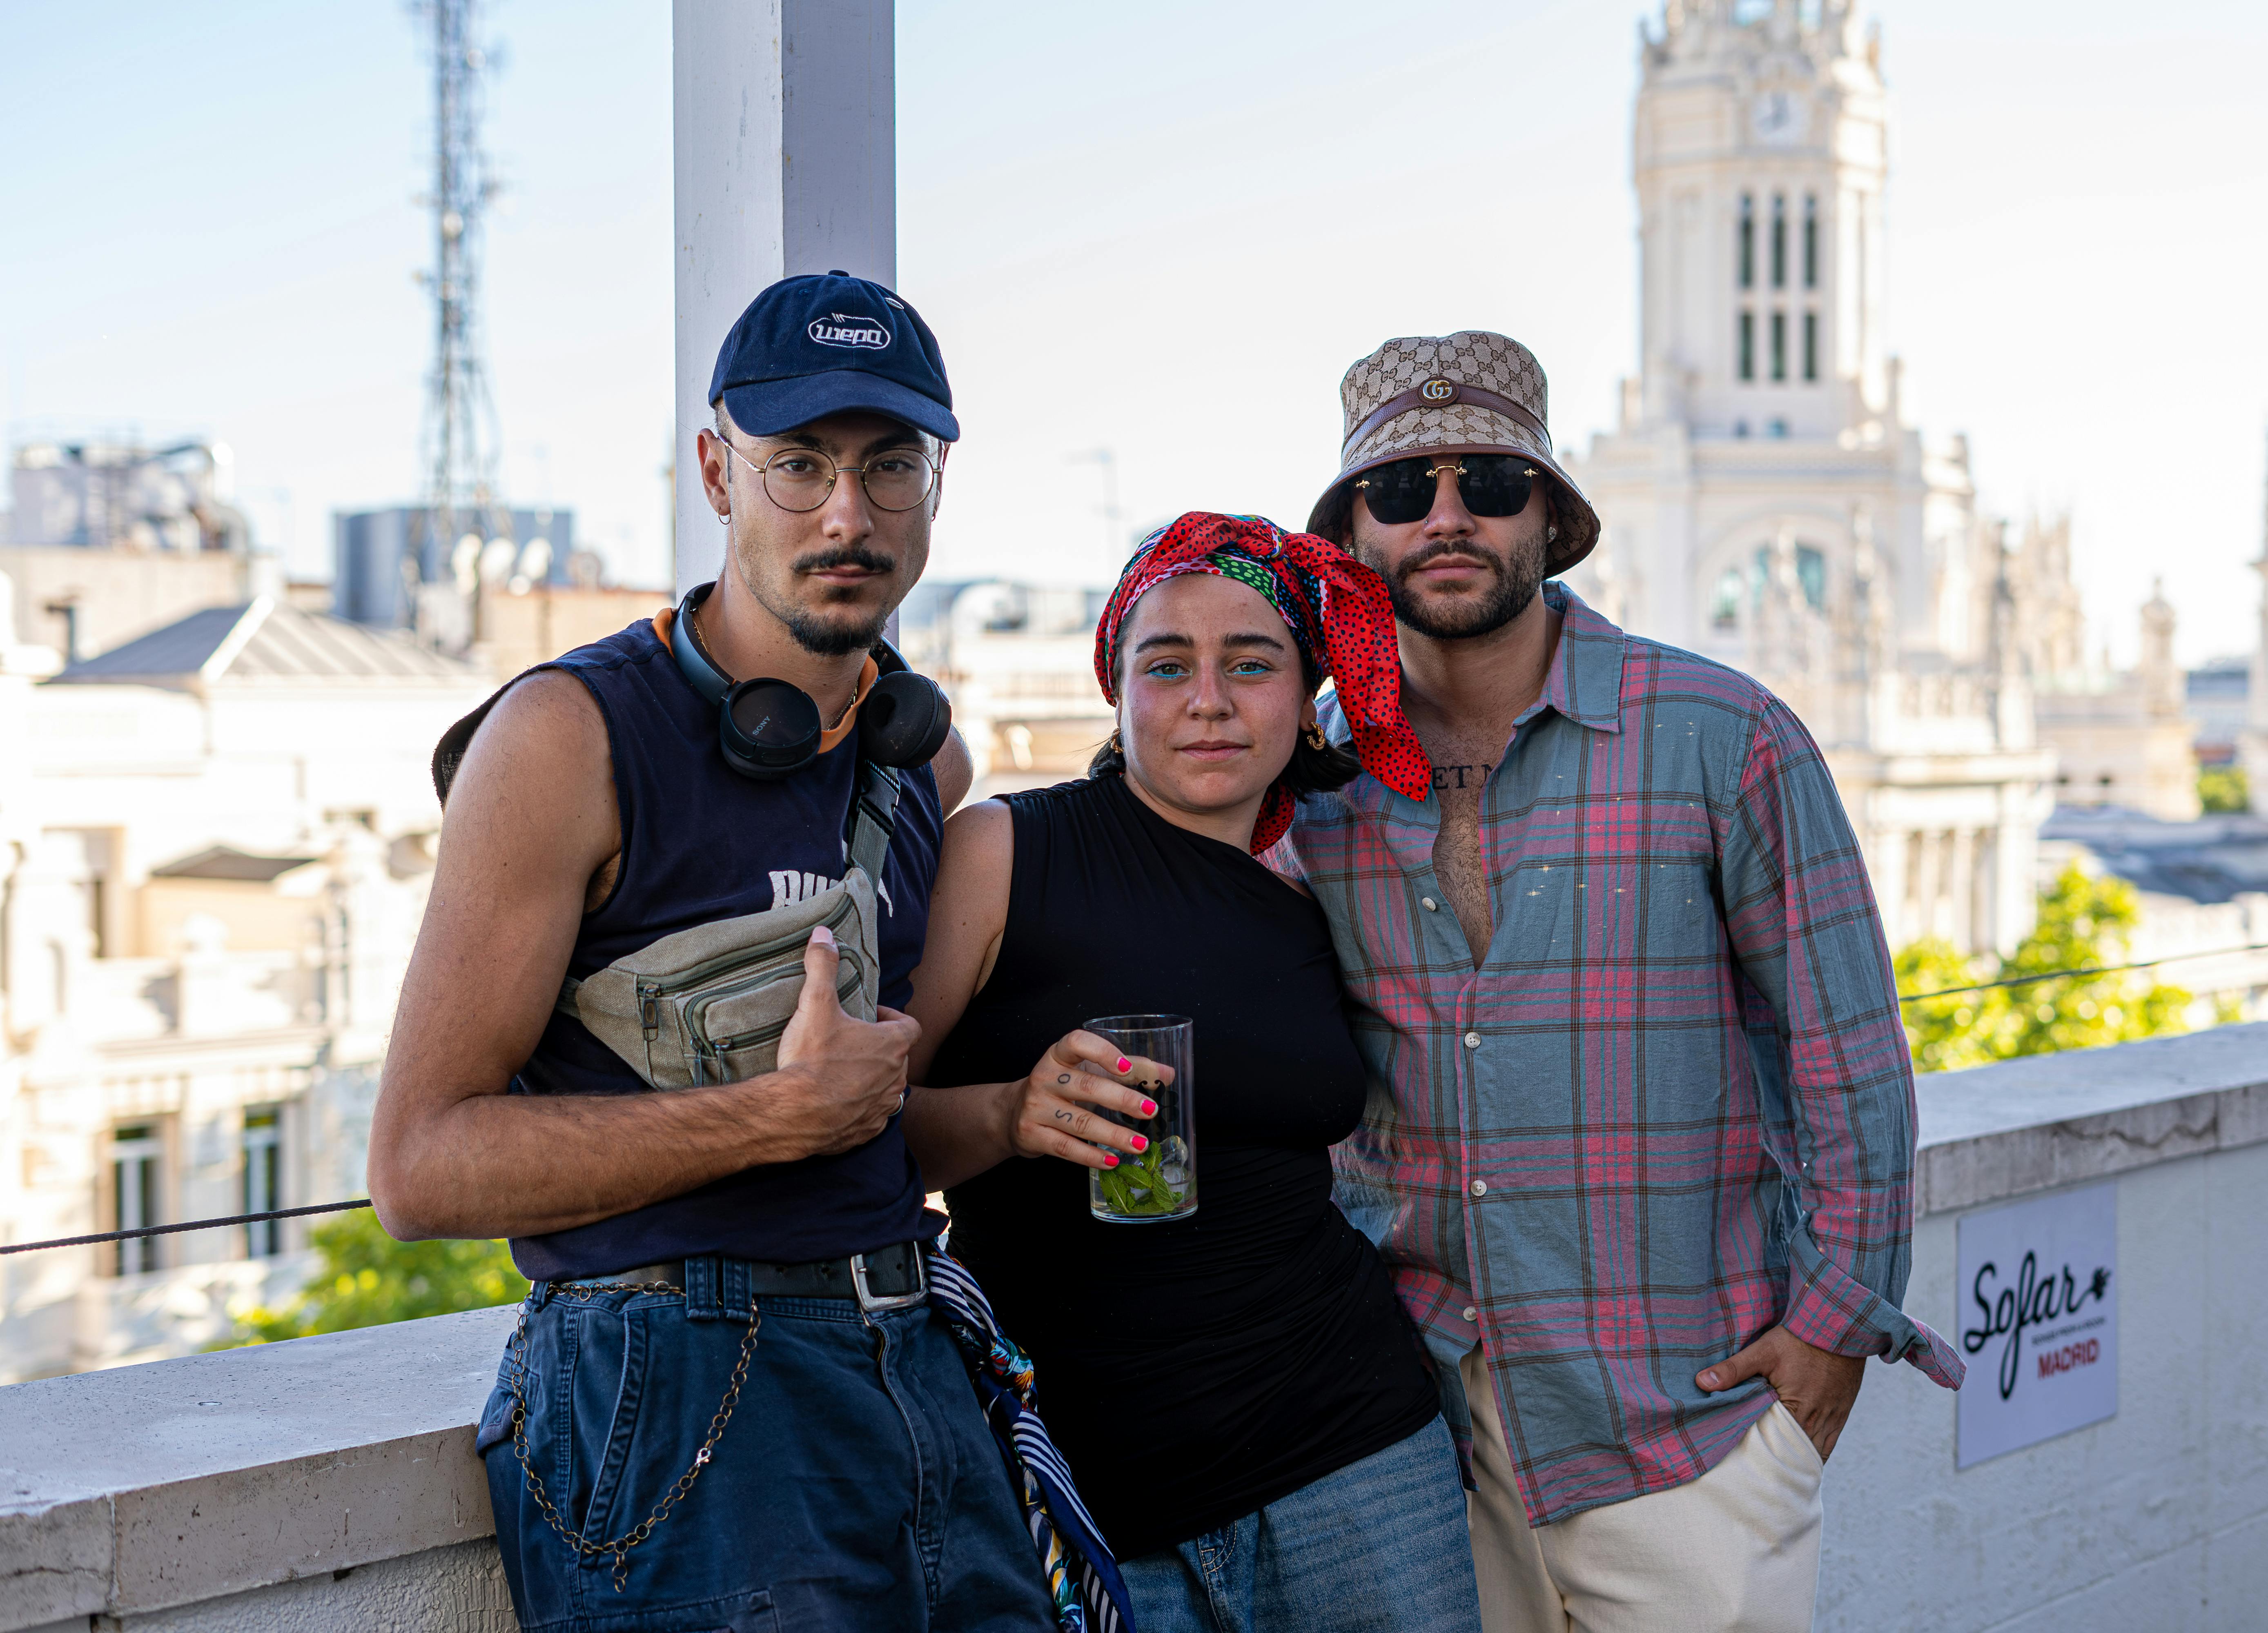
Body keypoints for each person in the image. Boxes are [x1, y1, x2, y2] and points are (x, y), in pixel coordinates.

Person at [368, 272, 1061, 1631]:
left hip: (910, 1360)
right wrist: (765, 1117)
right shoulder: (566, 740)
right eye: (797, 466)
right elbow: (418, 1168)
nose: (846, 516)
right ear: (716, 473)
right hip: (673, 1382)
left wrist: (1012, 1115)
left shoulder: (922, 765)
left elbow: (866, 1123)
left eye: (889, 468)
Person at [1277, 332, 1967, 1633]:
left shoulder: (1723, 736)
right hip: (1425, 1440)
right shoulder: (1308, 779)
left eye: (1488, 482)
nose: (1445, 518)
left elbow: (1853, 1068)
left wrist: (1826, 1348)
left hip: (1686, 1433)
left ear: (1550, 512)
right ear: (1351, 535)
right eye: (1402, 490)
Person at [899, 512, 1479, 1633]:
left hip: (1356, 1454)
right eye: (1167, 666)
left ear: (1305, 693)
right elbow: (860, 1123)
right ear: (1116, 689)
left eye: (1250, 665)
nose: (1208, 699)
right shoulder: (1006, 852)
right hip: (1102, 1481)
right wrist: (1012, 1114)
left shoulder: (1323, 888)